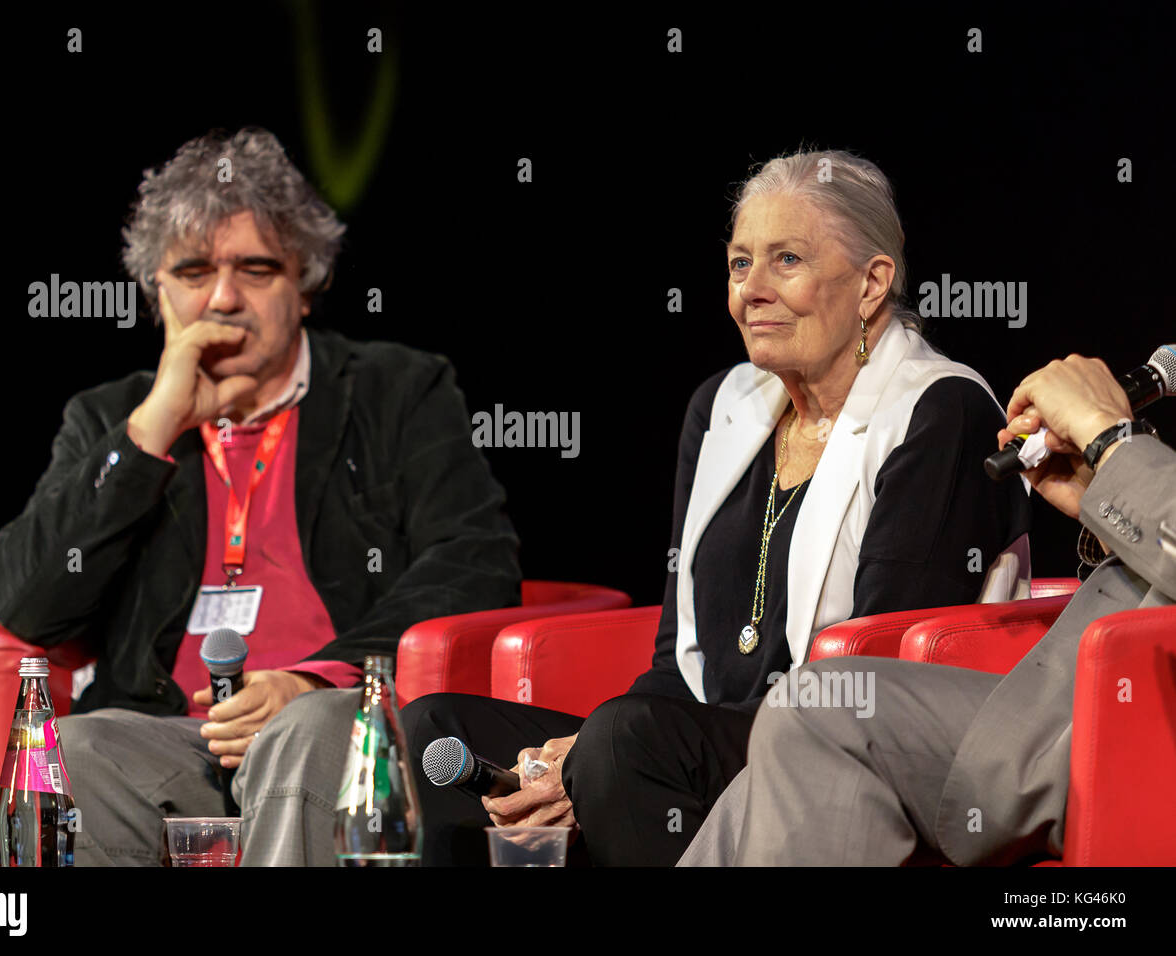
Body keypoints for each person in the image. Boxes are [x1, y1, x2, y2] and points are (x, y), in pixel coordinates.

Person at [403, 150, 1033, 866]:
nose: (751, 292)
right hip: (704, 742)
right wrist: (571, 760)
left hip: (839, 750)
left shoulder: (940, 411)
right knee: (432, 726)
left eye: (785, 261)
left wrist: (603, 749)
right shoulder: (722, 408)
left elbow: (869, 681)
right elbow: (677, 660)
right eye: (739, 265)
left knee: (625, 740)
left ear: (871, 283)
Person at [0, 127, 520, 865]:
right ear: (156, 290)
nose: (224, 298)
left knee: (308, 731)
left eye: (257, 269)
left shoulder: (399, 391)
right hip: (173, 737)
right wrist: (154, 429)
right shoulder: (113, 419)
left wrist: (310, 679)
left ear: (304, 285)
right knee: (66, 753)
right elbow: (24, 602)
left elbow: (475, 559)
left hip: (323, 722)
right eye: (195, 270)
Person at [679, 352, 1175, 866]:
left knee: (824, 707)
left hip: (1135, 733)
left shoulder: (941, 401)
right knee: (775, 762)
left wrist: (1112, 440)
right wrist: (1104, 497)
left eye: (787, 263)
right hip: (1071, 699)